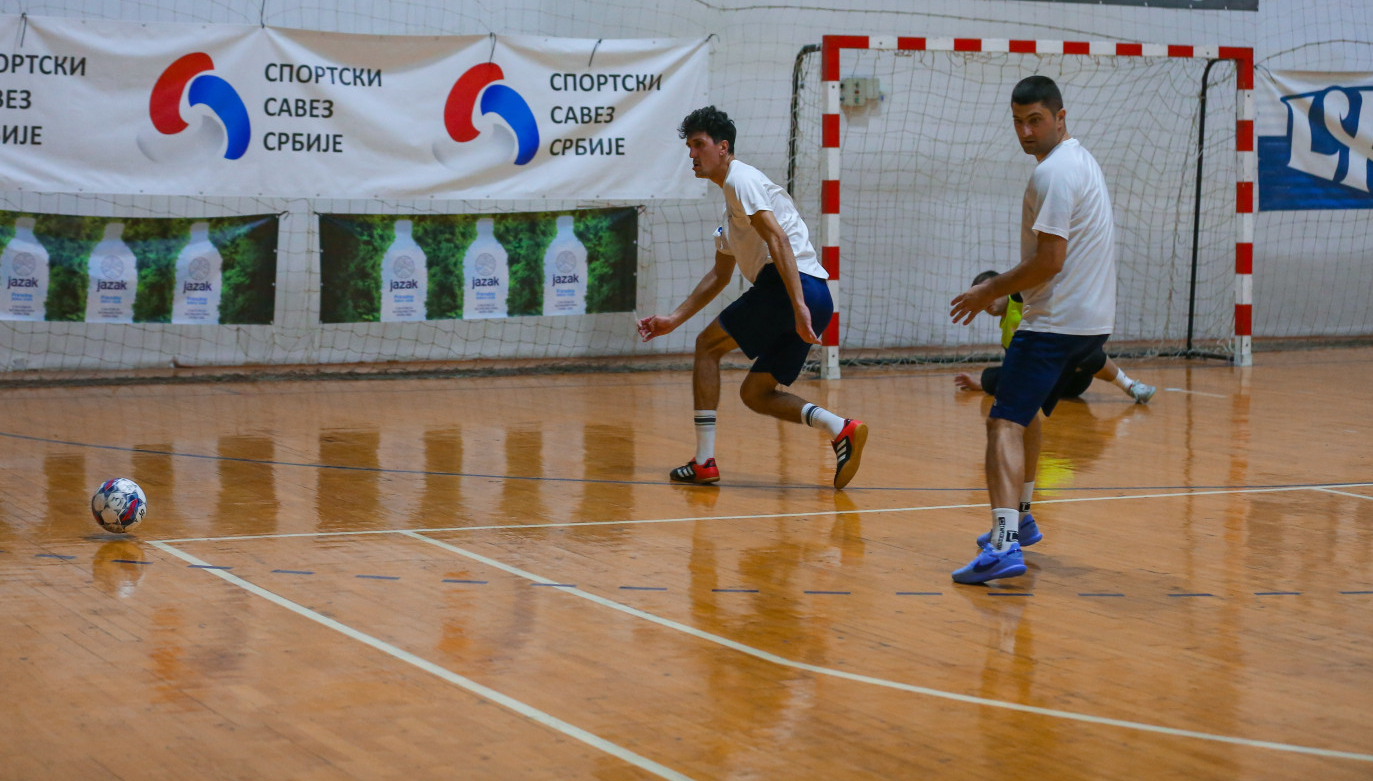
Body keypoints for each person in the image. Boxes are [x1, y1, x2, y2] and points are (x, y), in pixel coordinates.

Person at [637, 106, 868, 489]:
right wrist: (673, 318)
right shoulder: (732, 208)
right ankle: (840, 428)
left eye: (699, 144)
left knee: (707, 348)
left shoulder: (740, 180)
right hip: (816, 293)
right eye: (689, 146)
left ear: (723, 147)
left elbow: (777, 238)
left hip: (789, 287)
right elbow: (719, 275)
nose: (692, 154)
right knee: (756, 393)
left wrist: (796, 305)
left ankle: (703, 461)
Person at [947, 75, 1118, 584]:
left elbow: (1050, 260)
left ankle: (1003, 546)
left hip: (1055, 326)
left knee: (1002, 424)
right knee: (1026, 416)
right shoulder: (1080, 161)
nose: (1025, 131)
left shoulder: (1055, 175)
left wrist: (987, 291)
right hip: (1088, 325)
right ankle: (1020, 516)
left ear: (1060, 118)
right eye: (1018, 121)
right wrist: (1012, 295)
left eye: (1035, 120)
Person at [954, 269, 1156, 403]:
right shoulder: (1005, 331)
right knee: (993, 376)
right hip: (1048, 385)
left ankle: (1130, 386)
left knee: (1084, 352)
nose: (987, 300)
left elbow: (1028, 274)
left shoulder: (1020, 296)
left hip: (1072, 376)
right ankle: (982, 383)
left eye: (990, 292)